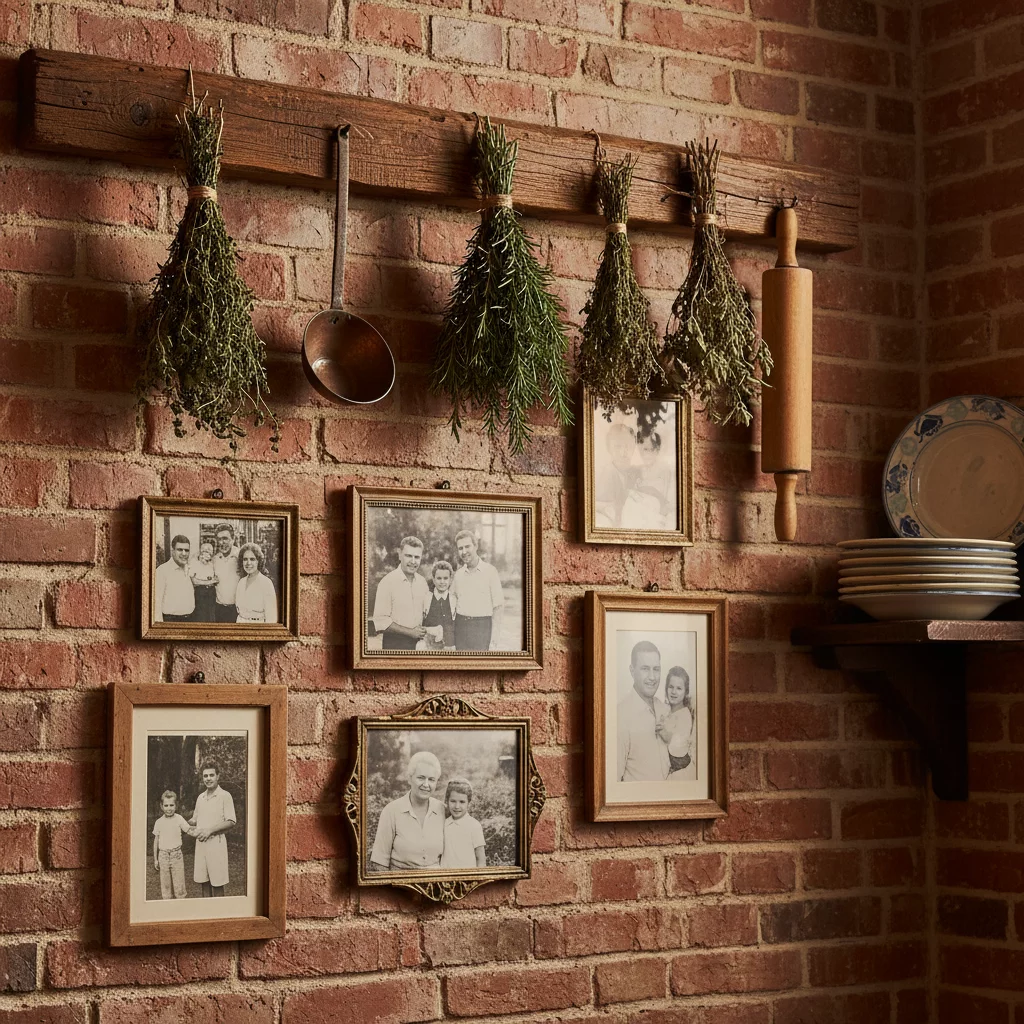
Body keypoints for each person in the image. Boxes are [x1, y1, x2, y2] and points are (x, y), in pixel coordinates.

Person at [368, 751, 445, 871]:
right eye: (421, 778)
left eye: (431, 779)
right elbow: (379, 863)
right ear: (409, 778)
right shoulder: (391, 811)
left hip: (437, 886)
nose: (426, 784)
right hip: (401, 885)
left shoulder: (443, 810)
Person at [617, 639, 670, 782]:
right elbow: (613, 784)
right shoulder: (620, 717)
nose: (652, 677)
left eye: (656, 669)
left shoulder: (666, 710)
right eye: (645, 669)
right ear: (632, 671)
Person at [372, 536, 430, 651]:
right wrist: (411, 632)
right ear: (400, 555)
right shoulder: (387, 582)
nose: (413, 561)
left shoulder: (422, 583)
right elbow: (381, 621)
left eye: (417, 557)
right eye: (408, 556)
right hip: (395, 644)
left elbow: (426, 613)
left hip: (419, 644)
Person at [450, 531, 504, 652]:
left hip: (482, 629)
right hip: (461, 629)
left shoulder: (490, 572)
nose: (464, 552)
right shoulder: (458, 575)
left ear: (476, 546)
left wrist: (494, 640)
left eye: (467, 546)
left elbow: (498, 607)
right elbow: (451, 602)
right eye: (460, 548)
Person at [188, 762, 236, 897]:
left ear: (218, 776)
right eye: (205, 776)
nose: (208, 778)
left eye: (211, 775)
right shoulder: (200, 798)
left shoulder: (225, 796)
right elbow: (194, 820)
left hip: (217, 844)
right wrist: (181, 823)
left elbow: (231, 821)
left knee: (217, 883)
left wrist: (209, 830)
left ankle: (219, 914)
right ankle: (206, 913)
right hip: (201, 844)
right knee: (204, 882)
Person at [621, 430, 674, 531]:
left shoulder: (666, 472)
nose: (646, 454)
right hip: (637, 513)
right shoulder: (635, 470)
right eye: (643, 450)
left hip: (656, 513)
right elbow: (628, 494)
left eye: (650, 449)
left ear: (657, 450)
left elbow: (668, 503)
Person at [151, 789, 196, 899]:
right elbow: (156, 841)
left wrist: (203, 832)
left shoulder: (179, 819)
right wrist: (155, 859)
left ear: (176, 806)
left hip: (177, 856)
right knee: (166, 889)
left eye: (171, 805)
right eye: (166, 805)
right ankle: (167, 909)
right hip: (163, 856)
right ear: (162, 806)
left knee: (179, 888)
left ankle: (180, 910)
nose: (169, 808)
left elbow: (190, 830)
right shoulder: (159, 822)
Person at [594, 422, 638, 528]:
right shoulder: (604, 474)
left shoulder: (636, 473)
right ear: (609, 448)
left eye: (628, 446)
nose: (624, 452)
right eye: (618, 447)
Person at [439, 778, 486, 869]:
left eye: (462, 802)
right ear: (447, 801)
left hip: (468, 878)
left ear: (469, 802)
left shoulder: (474, 826)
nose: (457, 806)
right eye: (453, 801)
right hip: (445, 878)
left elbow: (481, 859)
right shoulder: (444, 823)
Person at [659, 665, 695, 777]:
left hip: (679, 770)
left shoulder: (685, 715)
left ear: (686, 692)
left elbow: (678, 747)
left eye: (679, 688)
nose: (674, 692)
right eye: (671, 687)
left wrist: (665, 734)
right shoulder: (667, 710)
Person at [234, 542, 278, 623]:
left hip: (258, 627)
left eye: (252, 559)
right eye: (245, 559)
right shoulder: (241, 582)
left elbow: (271, 618)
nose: (248, 563)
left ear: (259, 561)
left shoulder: (266, 583)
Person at [154, 534, 195, 622]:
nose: (184, 553)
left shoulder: (189, 568)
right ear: (172, 551)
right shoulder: (162, 571)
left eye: (186, 550)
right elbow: (156, 605)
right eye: (180, 550)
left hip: (190, 620)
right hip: (171, 621)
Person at [422, 560, 457, 650]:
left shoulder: (454, 600)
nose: (442, 582)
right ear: (433, 579)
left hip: (450, 648)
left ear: (450, 580)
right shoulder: (426, 599)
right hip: (429, 647)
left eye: (445, 578)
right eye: (439, 578)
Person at [212, 525, 241, 623]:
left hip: (239, 610)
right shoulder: (214, 559)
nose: (221, 542)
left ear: (233, 539)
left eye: (225, 539)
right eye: (219, 539)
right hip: (219, 609)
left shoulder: (241, 556)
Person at [189, 540, 218, 623]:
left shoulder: (212, 563)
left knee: (211, 617)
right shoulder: (194, 562)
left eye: (209, 550)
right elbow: (193, 581)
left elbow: (215, 578)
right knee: (200, 617)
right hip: (200, 593)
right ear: (200, 551)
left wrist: (214, 580)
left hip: (211, 593)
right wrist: (209, 582)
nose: (207, 553)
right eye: (204, 550)